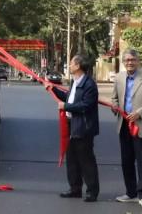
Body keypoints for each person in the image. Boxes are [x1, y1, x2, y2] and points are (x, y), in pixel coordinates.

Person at [48, 54, 100, 202]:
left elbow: (85, 106)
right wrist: (53, 89)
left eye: (71, 63)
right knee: (72, 159)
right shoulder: (75, 82)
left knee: (86, 160)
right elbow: (69, 97)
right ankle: (75, 188)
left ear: (78, 66)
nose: (69, 66)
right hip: (71, 124)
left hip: (83, 126)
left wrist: (67, 107)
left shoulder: (89, 85)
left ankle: (92, 191)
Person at [110, 49, 142, 207]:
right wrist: (115, 107)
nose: (130, 62)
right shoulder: (119, 78)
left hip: (140, 124)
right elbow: (114, 98)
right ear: (124, 62)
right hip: (124, 124)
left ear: (138, 61)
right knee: (126, 160)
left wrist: (138, 113)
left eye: (133, 59)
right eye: (127, 60)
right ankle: (130, 193)